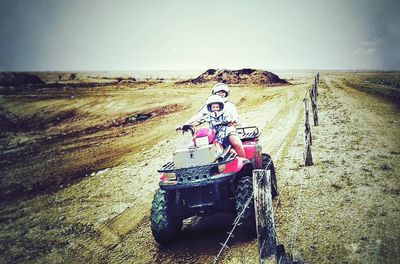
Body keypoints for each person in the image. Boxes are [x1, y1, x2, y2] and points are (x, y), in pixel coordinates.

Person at [183, 83, 246, 157]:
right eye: (218, 92)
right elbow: (199, 118)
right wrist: (186, 125)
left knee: (236, 143)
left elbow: (235, 117)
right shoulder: (209, 107)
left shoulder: (230, 105)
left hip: (228, 130)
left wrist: (233, 120)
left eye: (223, 92)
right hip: (213, 132)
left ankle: (243, 160)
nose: (221, 94)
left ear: (226, 93)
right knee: (199, 144)